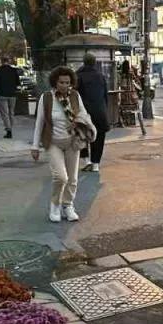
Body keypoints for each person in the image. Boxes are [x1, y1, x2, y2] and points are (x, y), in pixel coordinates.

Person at [31, 66, 96, 223]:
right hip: (53, 142)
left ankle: (68, 205)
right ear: (55, 82)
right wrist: (35, 146)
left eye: (67, 82)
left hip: (73, 142)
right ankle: (55, 205)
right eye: (61, 82)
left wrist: (77, 122)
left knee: (72, 179)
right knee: (61, 177)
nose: (65, 85)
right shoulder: (46, 98)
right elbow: (40, 122)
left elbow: (83, 114)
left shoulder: (75, 96)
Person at [75, 54, 110, 172]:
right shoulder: (100, 76)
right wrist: (104, 108)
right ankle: (95, 164)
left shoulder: (78, 75)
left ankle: (86, 161)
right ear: (94, 63)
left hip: (84, 112)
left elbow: (75, 95)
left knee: (82, 135)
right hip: (100, 112)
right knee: (99, 137)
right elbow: (105, 95)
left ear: (84, 62)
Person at [0, 56, 21, 139]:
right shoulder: (13, 70)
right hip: (12, 95)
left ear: (1, 61)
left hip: (2, 95)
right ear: (8, 61)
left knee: (5, 113)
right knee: (11, 112)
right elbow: (18, 83)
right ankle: (10, 126)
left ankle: (8, 130)